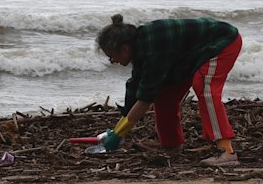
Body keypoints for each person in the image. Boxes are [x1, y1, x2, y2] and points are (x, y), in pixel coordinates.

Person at [95, 13, 242, 166]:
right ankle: (172, 145)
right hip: (190, 55)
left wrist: (119, 134)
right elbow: (136, 87)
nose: (112, 62)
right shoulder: (140, 48)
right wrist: (116, 129)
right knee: (165, 94)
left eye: (112, 57)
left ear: (124, 49)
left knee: (205, 89)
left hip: (222, 42)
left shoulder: (153, 47)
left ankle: (226, 151)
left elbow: (145, 99)